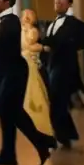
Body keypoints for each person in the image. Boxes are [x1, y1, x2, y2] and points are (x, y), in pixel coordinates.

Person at [0, 0, 54, 165]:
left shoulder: (11, 21)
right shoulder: (4, 21)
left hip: (13, 73)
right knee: (8, 113)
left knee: (11, 111)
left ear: (7, 3)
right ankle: (16, 152)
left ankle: (41, 141)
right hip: (4, 73)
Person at [40, 0, 84, 149]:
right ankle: (65, 134)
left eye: (61, 2)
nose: (58, 5)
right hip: (51, 66)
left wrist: (65, 44)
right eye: (56, 2)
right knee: (57, 102)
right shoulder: (51, 23)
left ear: (69, 5)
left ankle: (61, 135)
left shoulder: (76, 24)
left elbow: (83, 44)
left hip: (65, 67)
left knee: (57, 101)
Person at [20, 9, 54, 139]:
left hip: (31, 61)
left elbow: (29, 44)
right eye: (25, 16)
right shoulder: (19, 31)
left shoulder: (33, 31)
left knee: (34, 85)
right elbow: (24, 46)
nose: (26, 18)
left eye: (29, 16)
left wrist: (38, 46)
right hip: (22, 60)